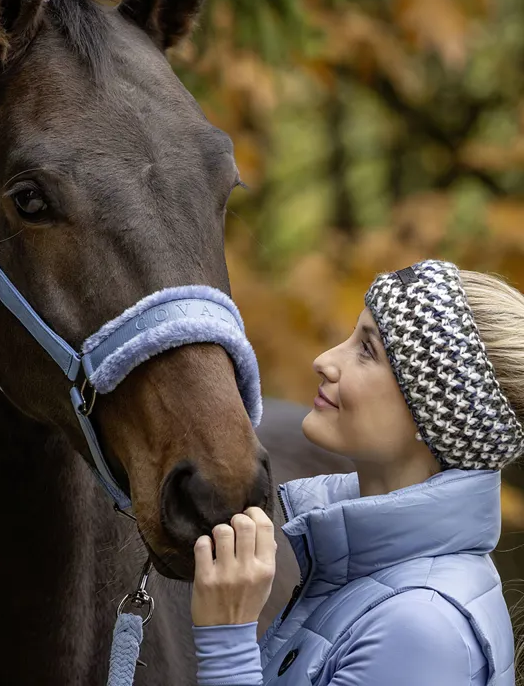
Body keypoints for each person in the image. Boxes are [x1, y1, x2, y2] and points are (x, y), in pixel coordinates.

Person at [191, 260, 523, 685]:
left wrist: (227, 640)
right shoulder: (365, 576)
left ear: (433, 421)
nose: (324, 360)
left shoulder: (421, 628)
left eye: (367, 350)